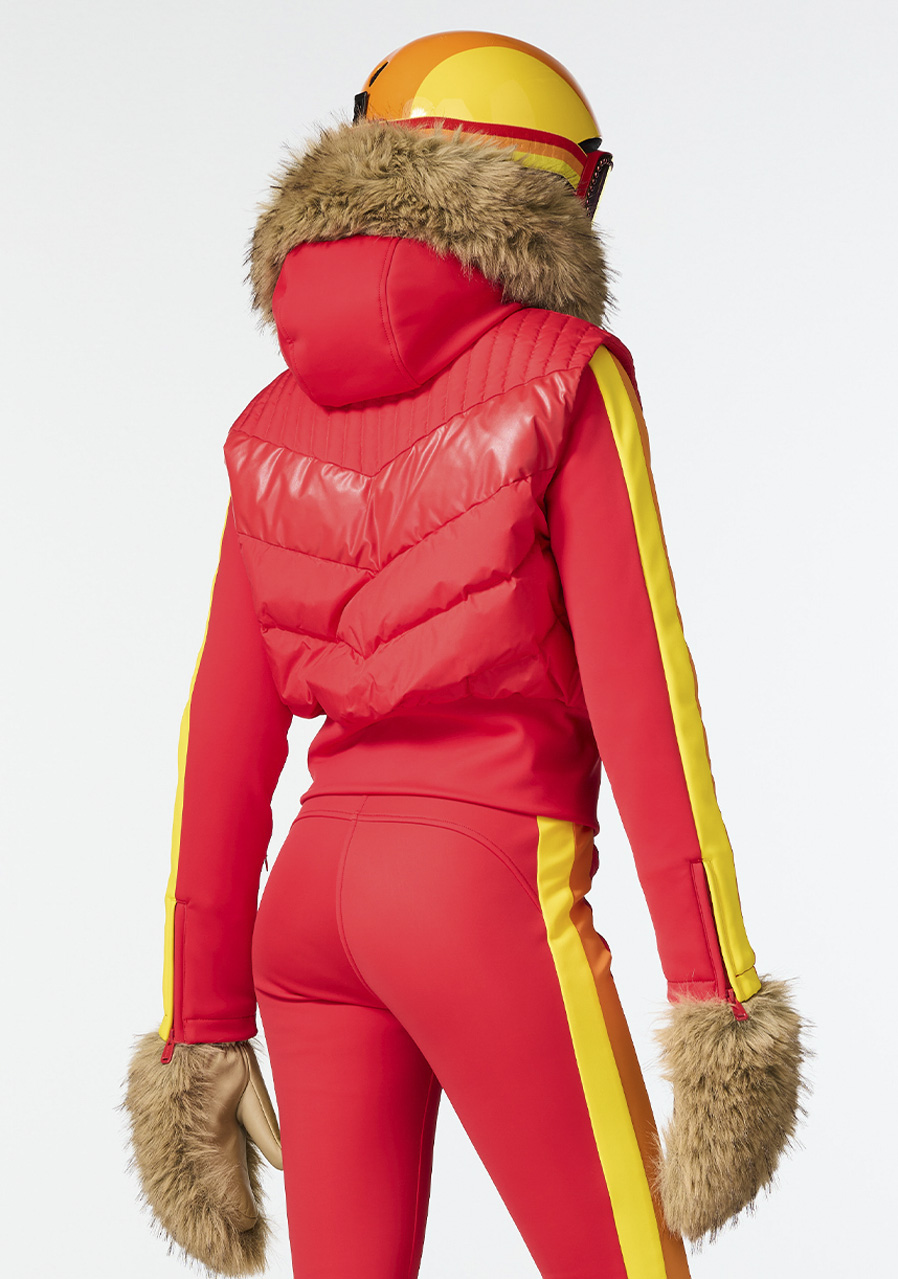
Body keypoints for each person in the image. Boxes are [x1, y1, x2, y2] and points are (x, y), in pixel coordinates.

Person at [124, 30, 805, 1279]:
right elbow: (644, 694)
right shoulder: (569, 377)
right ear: (552, 193)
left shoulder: (271, 422)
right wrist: (716, 995)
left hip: (306, 911)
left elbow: (221, 731)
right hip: (480, 888)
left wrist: (200, 1024)